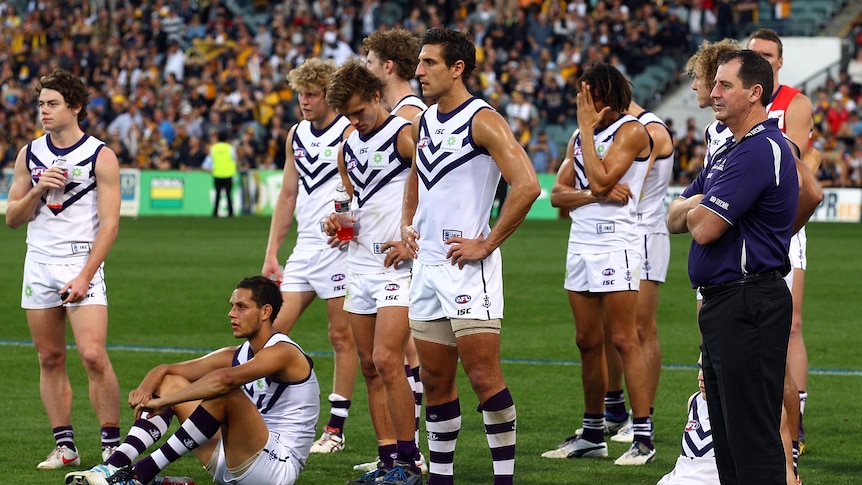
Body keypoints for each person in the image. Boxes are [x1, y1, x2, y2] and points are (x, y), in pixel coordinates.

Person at [401, 27, 540, 485]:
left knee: (483, 377)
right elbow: (416, 178)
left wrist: (487, 242)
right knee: (436, 382)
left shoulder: (483, 119)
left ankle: (504, 480)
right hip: (426, 269)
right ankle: (441, 478)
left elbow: (527, 186)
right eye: (419, 63)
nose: (419, 71)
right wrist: (409, 226)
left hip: (467, 270)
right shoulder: (422, 121)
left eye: (429, 63)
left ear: (457, 68)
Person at [667, 49, 798, 484]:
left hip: (749, 301)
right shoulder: (729, 152)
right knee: (726, 439)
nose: (714, 93)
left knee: (751, 438)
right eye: (715, 84)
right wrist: (695, 205)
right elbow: (672, 219)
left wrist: (695, 205)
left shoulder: (759, 150)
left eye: (725, 85)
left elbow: (701, 228)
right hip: (726, 304)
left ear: (755, 93)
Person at [64, 276, 320, 485]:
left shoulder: (284, 352)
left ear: (265, 312)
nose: (231, 313)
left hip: (277, 468)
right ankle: (114, 466)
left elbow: (224, 380)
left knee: (225, 393)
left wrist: (163, 402)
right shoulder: (237, 354)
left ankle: (139, 474)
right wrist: (146, 390)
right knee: (172, 381)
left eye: (241, 307)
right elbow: (165, 369)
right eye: (231, 306)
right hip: (232, 459)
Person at [5, 68, 122, 470]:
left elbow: (110, 225)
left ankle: (111, 445)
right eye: (40, 104)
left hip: (80, 263)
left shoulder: (100, 155)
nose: (44, 111)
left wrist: (86, 274)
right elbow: (13, 218)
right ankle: (65, 446)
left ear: (75, 107)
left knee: (92, 354)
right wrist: (38, 188)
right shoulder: (29, 154)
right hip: (37, 263)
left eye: (52, 104)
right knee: (50, 357)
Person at [543, 64, 655, 466]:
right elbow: (557, 195)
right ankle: (593, 433)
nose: (580, 102)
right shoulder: (579, 136)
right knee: (586, 341)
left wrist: (594, 178)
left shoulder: (632, 131)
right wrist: (594, 195)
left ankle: (643, 436)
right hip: (581, 244)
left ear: (603, 97)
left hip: (616, 244)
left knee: (625, 339)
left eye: (585, 94)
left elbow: (602, 176)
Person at [324, 59, 422, 485]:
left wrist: (410, 237)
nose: (354, 120)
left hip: (397, 267)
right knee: (368, 364)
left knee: (387, 359)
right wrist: (337, 223)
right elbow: (352, 202)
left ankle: (409, 459)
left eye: (359, 111)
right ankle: (387, 461)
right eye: (347, 115)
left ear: (377, 96)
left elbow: (432, 187)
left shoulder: (404, 135)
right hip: (360, 263)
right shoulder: (347, 147)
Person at [260, 58, 358, 455]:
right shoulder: (296, 135)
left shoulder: (350, 131)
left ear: (329, 95)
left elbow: (364, 187)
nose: (304, 100)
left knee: (340, 336)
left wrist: (349, 225)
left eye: (312, 94)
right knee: (269, 333)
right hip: (305, 250)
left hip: (341, 251)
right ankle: (267, 414)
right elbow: (287, 194)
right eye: (301, 93)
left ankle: (335, 429)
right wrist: (271, 254)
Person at [359, 27, 429, 475]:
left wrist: (410, 233)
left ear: (387, 66)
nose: (363, 69)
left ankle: (411, 452)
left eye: (368, 62)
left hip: (405, 256)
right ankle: (405, 450)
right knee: (401, 356)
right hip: (383, 253)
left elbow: (429, 177)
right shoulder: (397, 113)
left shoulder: (409, 116)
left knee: (403, 357)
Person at [748, 28, 815, 457]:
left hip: (782, 219)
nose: (763, 59)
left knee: (789, 322)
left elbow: (802, 163)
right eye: (755, 53)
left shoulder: (795, 102)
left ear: (780, 61)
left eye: (769, 55)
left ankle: (797, 421)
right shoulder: (736, 95)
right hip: (744, 221)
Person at [603, 100, 675, 445]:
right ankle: (614, 408)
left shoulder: (652, 131)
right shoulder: (623, 129)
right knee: (612, 329)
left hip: (645, 234)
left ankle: (642, 415)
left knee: (641, 329)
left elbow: (614, 181)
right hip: (621, 233)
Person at [656, 354, 720, 485]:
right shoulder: (695, 402)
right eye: (700, 368)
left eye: (709, 370)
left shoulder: (747, 409)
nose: (700, 377)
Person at [202, 129, 238, 217]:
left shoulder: (214, 148)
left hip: (217, 174)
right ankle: (230, 213)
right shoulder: (230, 148)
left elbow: (210, 161)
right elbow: (235, 159)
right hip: (228, 174)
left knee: (217, 195)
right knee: (228, 194)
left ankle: (215, 213)